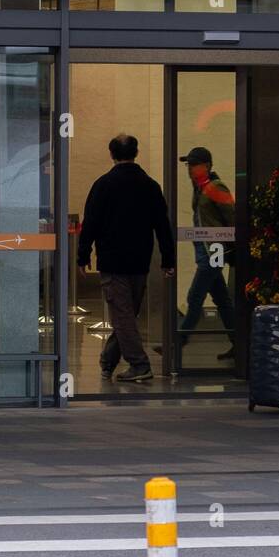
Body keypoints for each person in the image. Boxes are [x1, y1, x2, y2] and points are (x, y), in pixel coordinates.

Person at [77, 134, 175, 383]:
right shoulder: (150, 186)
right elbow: (163, 225)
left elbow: (91, 224)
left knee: (122, 316)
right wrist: (168, 259)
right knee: (126, 315)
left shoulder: (103, 185)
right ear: (136, 152)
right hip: (140, 261)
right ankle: (108, 361)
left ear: (112, 154)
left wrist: (82, 255)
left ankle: (140, 365)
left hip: (113, 261)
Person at [178, 146, 238, 362]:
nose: (190, 169)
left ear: (207, 166)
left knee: (195, 296)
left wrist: (231, 247)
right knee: (222, 299)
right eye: (188, 165)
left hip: (214, 252)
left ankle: (178, 343)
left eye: (193, 165)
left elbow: (232, 218)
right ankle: (238, 344)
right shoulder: (200, 189)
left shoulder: (215, 187)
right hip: (206, 252)